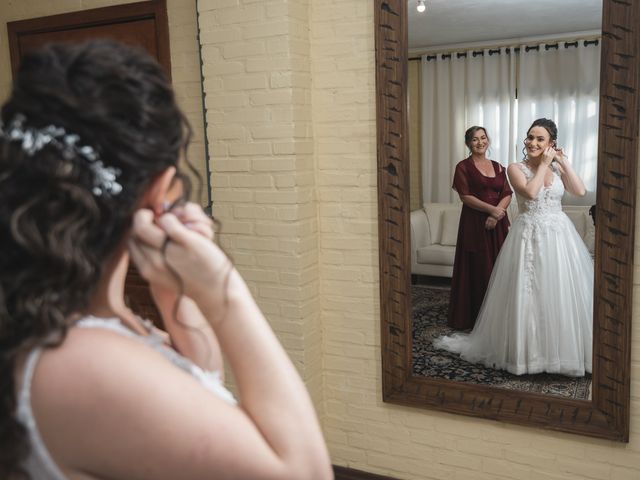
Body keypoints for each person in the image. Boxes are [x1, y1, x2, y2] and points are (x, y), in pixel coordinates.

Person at [0, 40, 332, 480]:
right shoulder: (85, 361)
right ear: (160, 187)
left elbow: (199, 384)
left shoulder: (80, 314)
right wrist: (225, 294)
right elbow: (306, 474)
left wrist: (177, 294)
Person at [435, 118, 593, 377]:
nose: (532, 142)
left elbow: (580, 189)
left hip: (559, 235)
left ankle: (558, 351)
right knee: (528, 292)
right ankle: (526, 353)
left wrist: (562, 161)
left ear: (551, 143)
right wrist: (543, 164)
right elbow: (530, 193)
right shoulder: (514, 168)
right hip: (528, 234)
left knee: (558, 291)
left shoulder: (555, 166)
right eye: (530, 137)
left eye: (540, 139)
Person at [447, 126, 512, 330]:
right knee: (478, 267)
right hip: (475, 223)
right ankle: (474, 318)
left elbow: (507, 193)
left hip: (498, 223)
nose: (480, 142)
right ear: (468, 143)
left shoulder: (499, 166)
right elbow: (465, 197)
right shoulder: (463, 167)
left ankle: (499, 316)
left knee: (499, 267)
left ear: (488, 140)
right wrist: (492, 211)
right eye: (474, 139)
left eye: (483, 138)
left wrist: (498, 213)